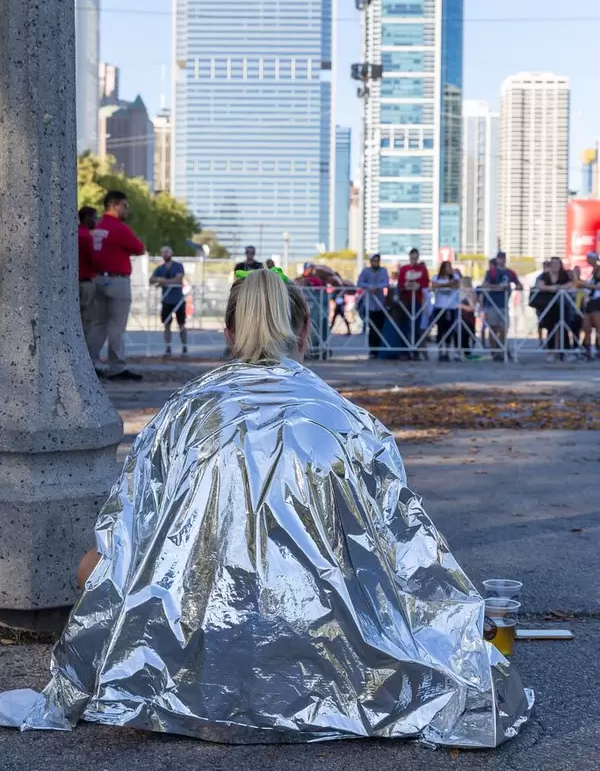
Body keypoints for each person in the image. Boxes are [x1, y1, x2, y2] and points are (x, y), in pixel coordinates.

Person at [1, 269, 531, 746]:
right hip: (323, 641)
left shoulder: (182, 412)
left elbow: (126, 538)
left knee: (89, 569)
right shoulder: (349, 421)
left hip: (196, 634)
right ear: (304, 334)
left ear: (229, 334)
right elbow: (399, 554)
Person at [88, 190, 145, 381]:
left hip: (97, 279)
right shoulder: (119, 228)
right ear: (115, 204)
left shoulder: (97, 227)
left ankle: (91, 362)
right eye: (125, 206)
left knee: (98, 324)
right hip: (117, 281)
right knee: (116, 326)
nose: (127, 210)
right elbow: (139, 248)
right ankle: (117, 366)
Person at [150, 246, 187, 357]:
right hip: (166, 300)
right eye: (163, 252)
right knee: (166, 325)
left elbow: (178, 279)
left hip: (178, 300)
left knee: (182, 324)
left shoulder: (178, 266)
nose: (165, 254)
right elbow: (151, 280)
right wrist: (159, 280)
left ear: (171, 253)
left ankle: (184, 346)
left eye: (167, 252)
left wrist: (163, 281)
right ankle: (168, 347)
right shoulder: (160, 268)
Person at [537, 257, 574, 361]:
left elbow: (571, 284)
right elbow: (540, 286)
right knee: (551, 328)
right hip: (549, 305)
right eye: (553, 264)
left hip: (563, 305)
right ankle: (551, 351)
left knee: (564, 327)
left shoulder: (564, 275)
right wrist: (552, 288)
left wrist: (559, 287)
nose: (555, 266)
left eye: (557, 264)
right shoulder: (545, 275)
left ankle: (565, 351)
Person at [397, 248, 430, 357]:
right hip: (405, 301)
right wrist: (406, 286)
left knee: (416, 327)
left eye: (415, 258)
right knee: (404, 326)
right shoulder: (404, 269)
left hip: (417, 301)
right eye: (412, 258)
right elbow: (400, 283)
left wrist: (418, 286)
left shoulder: (422, 269)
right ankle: (404, 352)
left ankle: (415, 352)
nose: (413, 260)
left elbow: (425, 283)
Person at [481, 257, 513, 361]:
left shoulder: (509, 272)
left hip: (504, 305)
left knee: (503, 329)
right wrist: (498, 287)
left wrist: (509, 288)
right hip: (491, 305)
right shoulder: (490, 273)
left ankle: (501, 349)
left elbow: (517, 284)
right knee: (492, 329)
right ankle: (494, 351)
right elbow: (484, 285)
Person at [357, 254, 390, 357]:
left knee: (380, 327)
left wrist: (378, 287)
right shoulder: (366, 271)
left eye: (377, 260)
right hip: (369, 303)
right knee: (371, 328)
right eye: (373, 261)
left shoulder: (383, 271)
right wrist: (370, 287)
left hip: (380, 304)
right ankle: (372, 350)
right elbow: (360, 283)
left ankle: (379, 349)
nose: (375, 263)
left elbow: (386, 283)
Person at [77, 206, 98, 350]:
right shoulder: (86, 236)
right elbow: (93, 260)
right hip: (85, 282)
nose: (96, 221)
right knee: (87, 320)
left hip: (74, 282)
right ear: (87, 218)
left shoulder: (74, 233)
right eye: (95, 217)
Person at [431, 260, 461, 362]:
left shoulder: (455, 277)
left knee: (449, 330)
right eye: (447, 267)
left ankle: (447, 352)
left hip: (451, 307)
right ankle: (440, 352)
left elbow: (456, 285)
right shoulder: (436, 277)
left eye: (450, 266)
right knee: (440, 329)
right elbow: (434, 286)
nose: (449, 269)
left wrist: (443, 285)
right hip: (439, 306)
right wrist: (448, 284)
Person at [582, 257, 600, 360]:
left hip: (598, 302)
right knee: (586, 327)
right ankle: (587, 350)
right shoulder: (592, 277)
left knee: (598, 327)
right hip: (590, 302)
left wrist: (584, 284)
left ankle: (598, 350)